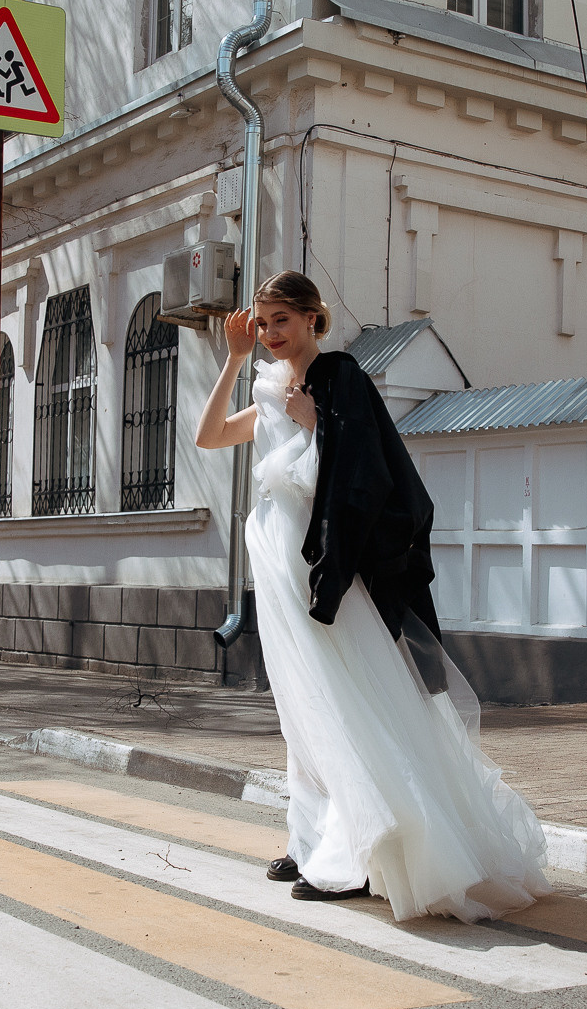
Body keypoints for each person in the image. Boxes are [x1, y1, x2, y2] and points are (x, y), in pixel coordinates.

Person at [194, 271, 552, 923]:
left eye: (282, 320)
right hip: (274, 561)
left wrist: (318, 424)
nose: (272, 333)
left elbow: (364, 475)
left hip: (321, 564)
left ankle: (358, 855)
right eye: (264, 322)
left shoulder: (339, 380)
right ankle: (311, 842)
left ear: (311, 319)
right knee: (301, 709)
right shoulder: (270, 386)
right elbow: (210, 436)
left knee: (343, 702)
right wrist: (234, 359)